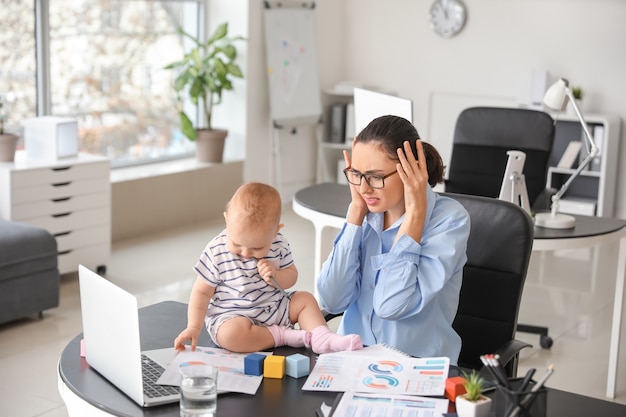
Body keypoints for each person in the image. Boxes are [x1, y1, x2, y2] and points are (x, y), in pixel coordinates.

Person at [316, 115, 471, 363]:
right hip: (353, 357)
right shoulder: (365, 211)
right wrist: (355, 212)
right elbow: (331, 301)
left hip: (414, 364)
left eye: (376, 177)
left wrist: (415, 216)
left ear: (411, 171)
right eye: (356, 174)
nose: (364, 189)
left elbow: (390, 307)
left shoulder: (449, 221)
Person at [174, 182, 362, 354]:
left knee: (305, 299)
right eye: (237, 244)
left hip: (273, 308)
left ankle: (322, 337)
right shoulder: (216, 251)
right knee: (231, 335)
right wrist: (193, 327)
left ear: (275, 232)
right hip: (233, 315)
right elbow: (202, 292)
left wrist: (277, 275)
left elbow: (291, 276)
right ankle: (282, 336)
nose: (246, 253)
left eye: (257, 248)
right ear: (226, 220)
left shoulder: (279, 245)